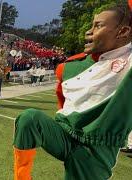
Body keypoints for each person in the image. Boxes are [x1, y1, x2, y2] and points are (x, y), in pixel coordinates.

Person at [13, 4, 132, 180]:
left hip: (96, 150)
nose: (88, 31)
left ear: (123, 32)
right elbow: (63, 100)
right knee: (30, 119)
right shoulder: (69, 67)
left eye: (98, 26)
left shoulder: (128, 61)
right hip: (66, 133)